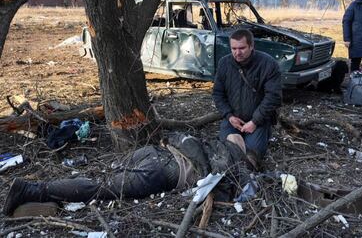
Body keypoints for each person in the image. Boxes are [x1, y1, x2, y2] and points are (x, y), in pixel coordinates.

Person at [3, 133, 257, 216]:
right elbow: (248, 196)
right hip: (164, 172)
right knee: (102, 189)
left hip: (152, 152)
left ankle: (55, 196)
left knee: (103, 179)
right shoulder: (237, 163)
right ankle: (31, 190)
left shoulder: (208, 142)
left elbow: (176, 138)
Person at [212, 29, 282, 159]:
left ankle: (262, 134)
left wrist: (255, 121)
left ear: (251, 46)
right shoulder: (224, 63)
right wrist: (229, 116)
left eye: (242, 48)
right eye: (233, 48)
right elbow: (218, 94)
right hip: (233, 119)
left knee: (252, 154)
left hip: (258, 120)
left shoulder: (268, 64)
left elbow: (274, 97)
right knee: (226, 149)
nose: (237, 52)